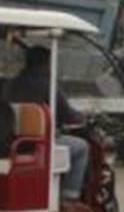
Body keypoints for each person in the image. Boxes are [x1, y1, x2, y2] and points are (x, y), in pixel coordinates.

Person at [5, 44, 88, 203]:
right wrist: (82, 117)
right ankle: (70, 195)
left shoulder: (12, 83)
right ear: (45, 63)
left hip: (13, 139)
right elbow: (68, 115)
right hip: (39, 142)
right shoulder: (46, 85)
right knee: (81, 147)